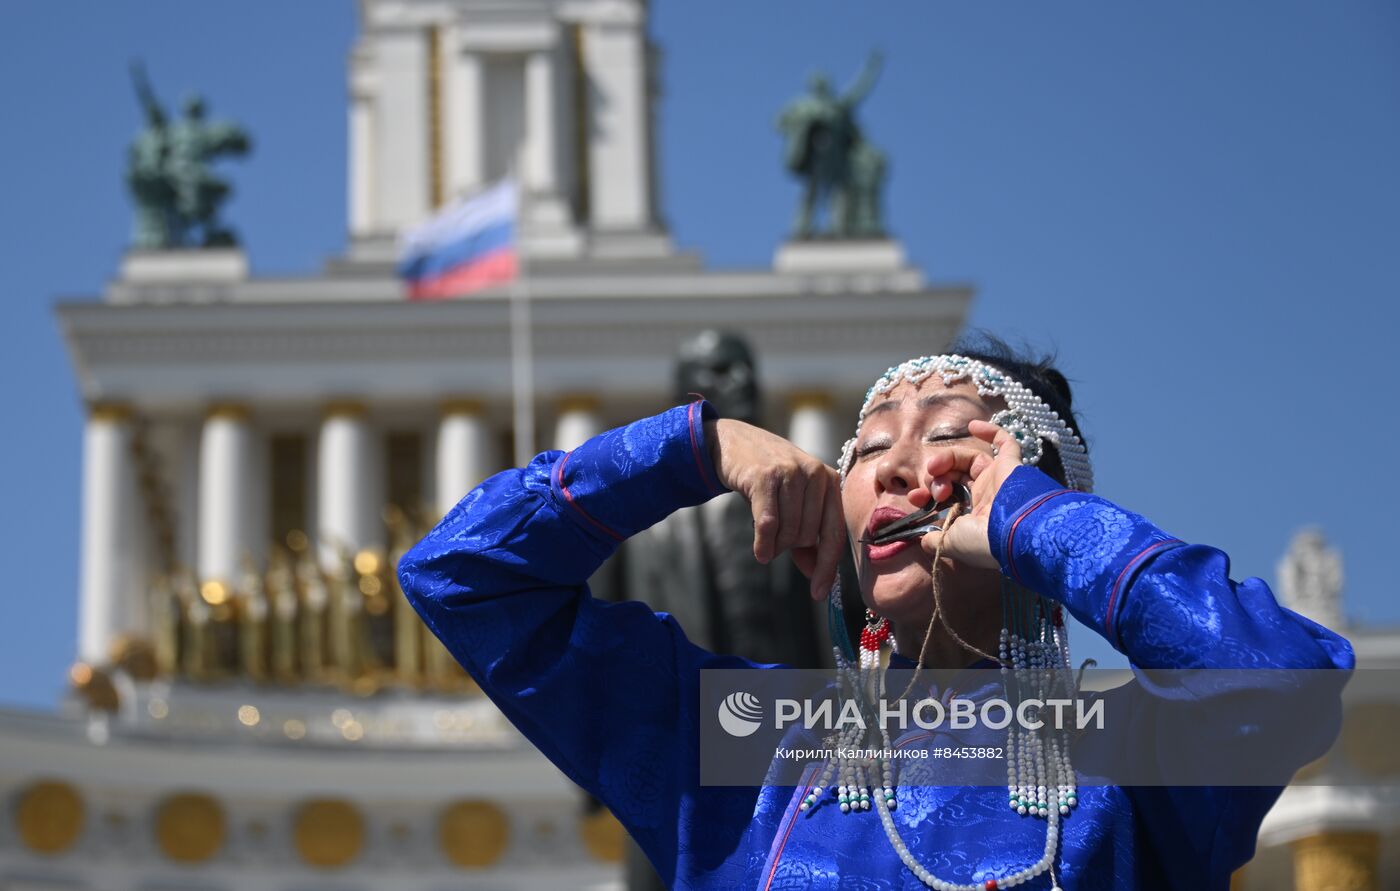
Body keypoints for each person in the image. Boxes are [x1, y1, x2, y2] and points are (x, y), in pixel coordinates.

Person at [397, 336, 1353, 890]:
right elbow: (462, 579)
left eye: (946, 439)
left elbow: (1279, 681)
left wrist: (1035, 523)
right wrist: (690, 449)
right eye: (866, 447)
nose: (893, 465)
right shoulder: (749, 749)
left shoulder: (1123, 752)